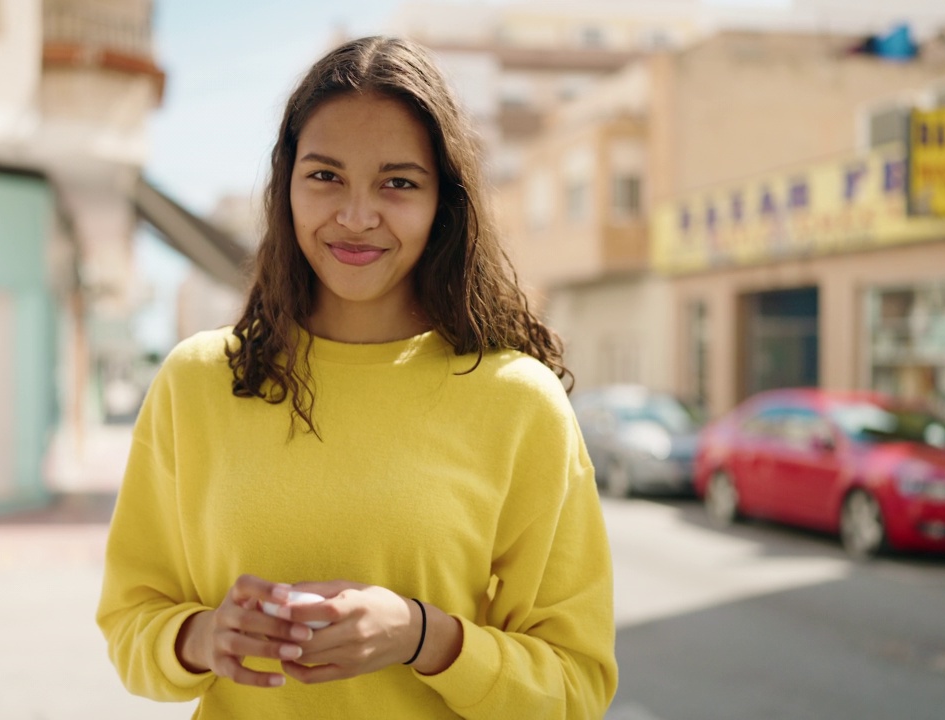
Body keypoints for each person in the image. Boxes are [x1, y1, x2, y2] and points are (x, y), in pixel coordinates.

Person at [97, 35, 618, 719]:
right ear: (286, 186)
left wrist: (422, 635)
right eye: (325, 176)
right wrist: (204, 636)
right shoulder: (197, 382)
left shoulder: (518, 402)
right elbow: (132, 621)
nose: (356, 216)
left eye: (398, 183)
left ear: (444, 203)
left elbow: (575, 687)